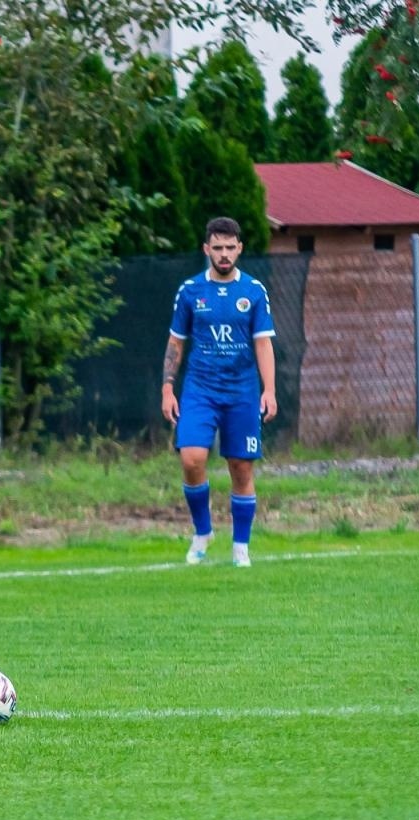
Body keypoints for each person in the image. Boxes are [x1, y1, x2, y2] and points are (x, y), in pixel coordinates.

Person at [161, 217, 278, 567]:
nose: (224, 254)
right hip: (200, 389)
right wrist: (168, 388)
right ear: (206, 249)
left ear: (240, 249)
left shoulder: (254, 292)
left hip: (241, 390)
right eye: (218, 248)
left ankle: (241, 547)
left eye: (230, 248)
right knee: (191, 458)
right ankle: (203, 532)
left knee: (241, 467)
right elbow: (175, 344)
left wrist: (269, 390)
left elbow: (263, 344)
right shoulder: (190, 291)